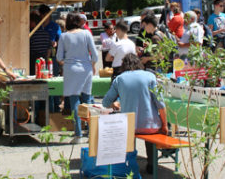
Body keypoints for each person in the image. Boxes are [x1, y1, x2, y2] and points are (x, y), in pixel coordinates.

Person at [102, 53, 168, 175]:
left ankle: (129, 164)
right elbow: (160, 104)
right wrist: (164, 125)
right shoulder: (150, 76)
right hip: (150, 125)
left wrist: (114, 105)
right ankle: (152, 164)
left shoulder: (119, 79)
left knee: (127, 135)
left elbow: (106, 102)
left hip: (129, 126)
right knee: (151, 134)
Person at [56, 12, 98, 143]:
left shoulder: (64, 36)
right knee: (87, 100)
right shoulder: (86, 34)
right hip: (86, 69)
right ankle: (91, 133)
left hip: (71, 70)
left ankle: (78, 134)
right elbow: (95, 55)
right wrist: (91, 64)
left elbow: (58, 57)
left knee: (74, 101)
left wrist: (66, 62)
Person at [29, 10, 52, 75]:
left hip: (33, 59)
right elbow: (49, 48)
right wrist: (47, 59)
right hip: (44, 59)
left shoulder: (31, 34)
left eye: (30, 22)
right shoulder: (46, 33)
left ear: (33, 23)